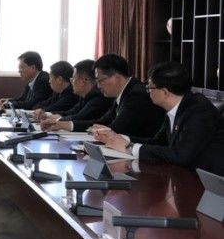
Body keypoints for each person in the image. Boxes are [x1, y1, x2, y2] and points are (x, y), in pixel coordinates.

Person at [94, 61, 224, 174]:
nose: (147, 91)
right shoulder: (176, 108)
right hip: (184, 176)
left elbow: (181, 156)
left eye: (150, 88)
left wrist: (130, 147)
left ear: (165, 92)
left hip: (207, 184)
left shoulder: (199, 111)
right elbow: (159, 142)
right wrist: (120, 139)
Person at [47, 53, 164, 137]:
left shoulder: (136, 95)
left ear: (116, 77)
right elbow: (104, 121)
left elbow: (115, 129)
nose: (98, 86)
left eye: (100, 81)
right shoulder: (124, 92)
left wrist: (97, 129)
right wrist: (66, 125)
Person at [40, 59, 112, 129]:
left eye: (73, 79)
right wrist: (49, 115)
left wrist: (57, 120)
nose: (71, 83)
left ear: (83, 81)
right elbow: (71, 112)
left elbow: (80, 117)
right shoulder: (84, 96)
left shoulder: (98, 97)